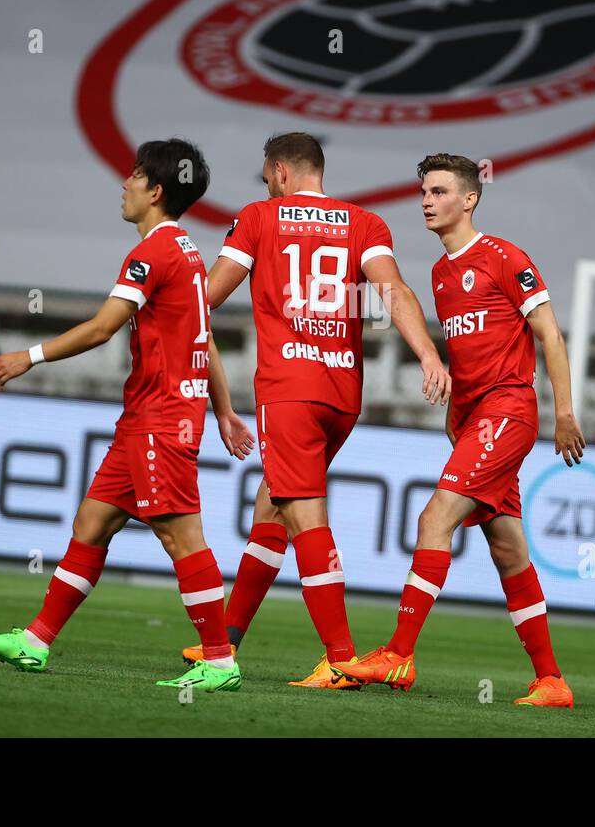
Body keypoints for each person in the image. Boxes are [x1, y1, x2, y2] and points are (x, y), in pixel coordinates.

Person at [0, 138, 256, 691]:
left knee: (181, 537)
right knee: (92, 523)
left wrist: (27, 357)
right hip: (147, 419)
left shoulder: (152, 254)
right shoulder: (190, 253)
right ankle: (35, 643)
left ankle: (220, 660)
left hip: (161, 417)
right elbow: (206, 339)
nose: (122, 184)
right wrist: (223, 411)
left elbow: (102, 328)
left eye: (132, 176)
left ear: (155, 190)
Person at [183, 132, 450, 688]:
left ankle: (341, 659)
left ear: (280, 172)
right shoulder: (364, 223)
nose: (266, 186)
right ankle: (225, 640)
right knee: (273, 505)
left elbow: (207, 297)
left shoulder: (259, 218)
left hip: (289, 390)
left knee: (304, 514)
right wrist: (428, 354)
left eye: (266, 177)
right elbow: (393, 290)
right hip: (340, 397)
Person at [333, 153, 586, 708]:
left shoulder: (503, 257)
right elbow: (467, 358)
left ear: (469, 199)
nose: (427, 200)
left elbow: (550, 334)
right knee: (507, 549)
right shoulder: (441, 275)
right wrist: (456, 416)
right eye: (423, 191)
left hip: (511, 412)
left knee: (434, 517)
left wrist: (564, 412)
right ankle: (552, 682)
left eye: (440, 191)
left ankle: (399, 654)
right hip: (475, 421)